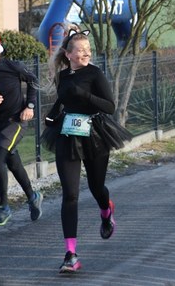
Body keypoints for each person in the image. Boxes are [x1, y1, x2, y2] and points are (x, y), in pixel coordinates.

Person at [41, 29, 132, 274]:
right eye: (79, 50)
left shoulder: (95, 73)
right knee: (70, 194)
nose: (85, 53)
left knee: (95, 186)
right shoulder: (62, 76)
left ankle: (106, 210)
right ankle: (70, 254)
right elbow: (63, 99)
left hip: (95, 133)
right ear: (68, 54)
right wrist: (52, 115)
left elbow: (110, 106)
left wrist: (84, 94)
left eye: (88, 50)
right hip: (68, 134)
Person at [0, 32, 43, 226]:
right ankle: (33, 196)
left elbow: (34, 81)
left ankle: (3, 207)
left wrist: (29, 106)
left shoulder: (13, 67)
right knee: (12, 162)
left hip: (15, 121)